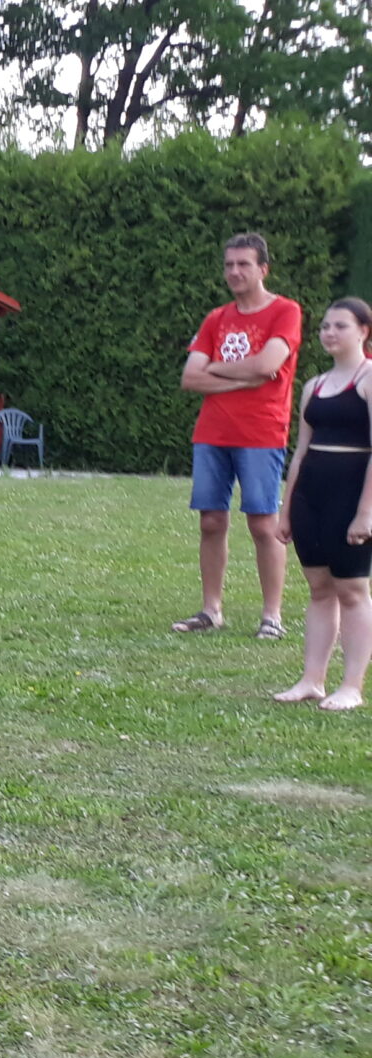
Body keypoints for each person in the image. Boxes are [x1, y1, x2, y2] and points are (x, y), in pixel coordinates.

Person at [178, 232, 302, 638]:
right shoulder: (216, 318)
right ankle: (211, 610)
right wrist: (243, 378)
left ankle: (272, 616)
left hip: (261, 432)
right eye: (229, 264)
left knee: (263, 525)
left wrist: (215, 368)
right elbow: (190, 377)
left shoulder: (285, 311)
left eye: (243, 264)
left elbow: (269, 363)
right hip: (212, 432)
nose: (234, 271)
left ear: (263, 269)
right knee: (211, 521)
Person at [272, 297, 372, 708]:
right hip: (311, 496)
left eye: (340, 326)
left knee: (352, 589)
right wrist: (287, 509)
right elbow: (300, 452)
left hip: (350, 497)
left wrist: (365, 512)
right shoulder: (313, 386)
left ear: (363, 331)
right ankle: (312, 680)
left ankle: (352, 686)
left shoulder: (368, 380)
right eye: (325, 326)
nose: (329, 333)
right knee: (319, 589)